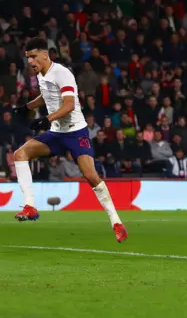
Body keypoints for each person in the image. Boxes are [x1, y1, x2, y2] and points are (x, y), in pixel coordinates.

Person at [11, 37, 128, 243]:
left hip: (76, 133)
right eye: (28, 57)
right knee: (20, 154)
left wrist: (46, 119)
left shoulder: (62, 73)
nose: (30, 61)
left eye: (33, 56)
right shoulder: (42, 74)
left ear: (45, 55)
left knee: (91, 176)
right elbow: (46, 96)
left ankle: (116, 222)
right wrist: (27, 107)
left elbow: (69, 105)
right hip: (57, 133)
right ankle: (30, 206)